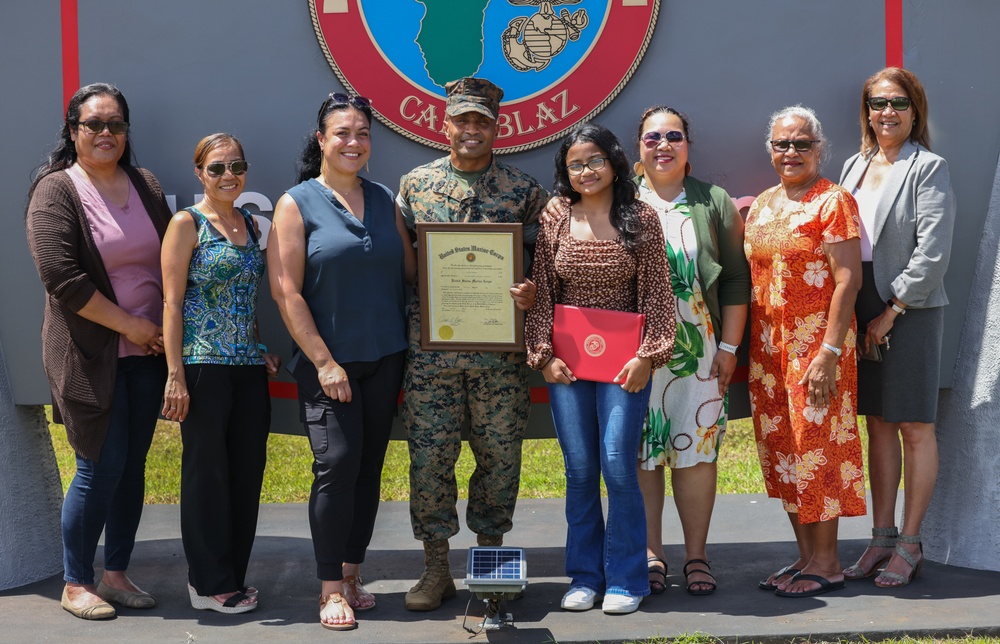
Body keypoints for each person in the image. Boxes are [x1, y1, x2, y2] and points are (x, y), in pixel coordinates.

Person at [396, 77, 546, 612]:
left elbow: (545, 267)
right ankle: (436, 569)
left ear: (496, 125)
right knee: (431, 461)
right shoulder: (415, 186)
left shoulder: (525, 191)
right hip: (432, 355)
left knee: (499, 459)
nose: (472, 129)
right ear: (446, 123)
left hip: (500, 358)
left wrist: (531, 293)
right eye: (462, 119)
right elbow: (407, 268)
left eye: (481, 120)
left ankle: (490, 564)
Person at [25, 83, 171, 619]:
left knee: (132, 468)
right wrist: (130, 325)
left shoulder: (145, 184)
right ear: (73, 131)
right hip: (89, 354)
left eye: (116, 124)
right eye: (94, 124)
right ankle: (75, 581)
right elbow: (62, 278)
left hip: (146, 355)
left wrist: (156, 333)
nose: (106, 133)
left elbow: (168, 261)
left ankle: (116, 575)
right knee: (97, 466)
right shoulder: (56, 191)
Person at [269, 93, 413, 630]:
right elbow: (287, 293)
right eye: (342, 133)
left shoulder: (384, 199)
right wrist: (325, 363)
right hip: (329, 365)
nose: (353, 142)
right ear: (321, 140)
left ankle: (353, 572)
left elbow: (414, 273)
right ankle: (330, 588)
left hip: (386, 357)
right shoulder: (295, 203)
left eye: (362, 133)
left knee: (368, 468)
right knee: (336, 466)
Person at [526, 122, 676, 615]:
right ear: (564, 173)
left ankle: (626, 578)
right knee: (580, 469)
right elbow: (544, 292)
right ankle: (585, 577)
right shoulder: (554, 219)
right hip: (567, 367)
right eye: (575, 164)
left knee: (617, 465)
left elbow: (657, 293)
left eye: (593, 161)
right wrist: (542, 355)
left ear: (612, 163)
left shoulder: (641, 219)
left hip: (624, 367)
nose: (585, 171)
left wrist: (648, 356)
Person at [839, 68, 956, 588]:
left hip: (910, 308)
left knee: (913, 425)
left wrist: (890, 311)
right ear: (866, 110)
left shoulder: (927, 167)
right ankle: (880, 538)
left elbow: (933, 253)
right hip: (860, 306)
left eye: (899, 103)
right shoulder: (854, 165)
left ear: (916, 111)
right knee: (879, 425)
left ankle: (910, 542)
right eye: (878, 103)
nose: (888, 112)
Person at [745, 105, 865, 598]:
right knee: (784, 451)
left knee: (817, 451)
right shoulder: (763, 203)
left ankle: (829, 561)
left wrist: (829, 351)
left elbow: (848, 279)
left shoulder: (833, 202)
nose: (790, 152)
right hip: (769, 353)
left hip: (817, 349)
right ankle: (805, 556)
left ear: (819, 149)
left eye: (801, 144)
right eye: (781, 144)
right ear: (770, 150)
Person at [631, 107, 750, 596]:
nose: (663, 145)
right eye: (652, 137)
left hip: (700, 352)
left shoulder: (712, 201)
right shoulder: (619, 200)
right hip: (633, 354)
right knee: (641, 453)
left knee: (696, 452)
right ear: (638, 149)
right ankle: (651, 553)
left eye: (673, 136)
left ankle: (696, 556)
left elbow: (738, 278)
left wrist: (728, 347)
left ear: (688, 147)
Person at [160, 133, 279, 614]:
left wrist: (260, 347)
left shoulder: (251, 223)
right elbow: (170, 303)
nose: (229, 175)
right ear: (199, 173)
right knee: (206, 474)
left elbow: (247, 300)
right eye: (217, 168)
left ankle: (234, 575)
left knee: (246, 474)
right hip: (203, 364)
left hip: (248, 368)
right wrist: (174, 373)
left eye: (237, 166)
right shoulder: (186, 224)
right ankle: (206, 583)